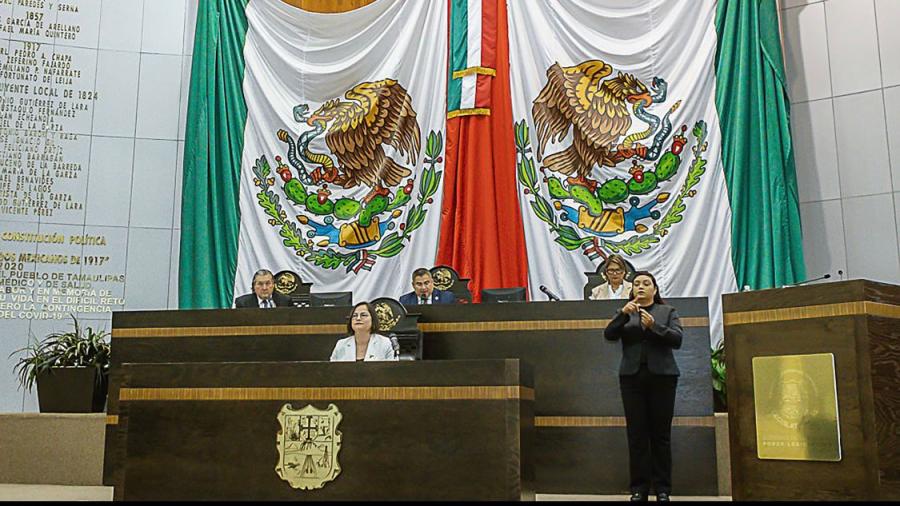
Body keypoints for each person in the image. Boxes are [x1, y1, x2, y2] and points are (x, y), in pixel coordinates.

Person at [603, 271, 683, 502]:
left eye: (646, 283)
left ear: (654, 290)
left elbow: (677, 340)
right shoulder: (625, 312)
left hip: (663, 378)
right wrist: (622, 315)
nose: (640, 287)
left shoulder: (667, 312)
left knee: (661, 435)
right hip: (632, 379)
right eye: (636, 283)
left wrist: (655, 326)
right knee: (637, 435)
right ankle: (639, 489)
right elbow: (609, 334)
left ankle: (663, 489)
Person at [330, 302, 398, 362]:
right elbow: (332, 370)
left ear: (373, 320)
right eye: (355, 315)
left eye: (363, 315)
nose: (358, 318)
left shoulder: (385, 343)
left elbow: (392, 370)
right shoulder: (341, 345)